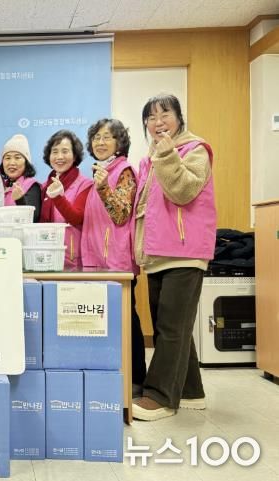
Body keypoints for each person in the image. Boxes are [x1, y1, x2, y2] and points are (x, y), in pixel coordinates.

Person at [132, 93, 215, 421]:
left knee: (170, 327)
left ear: (179, 118)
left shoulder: (196, 149)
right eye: (151, 117)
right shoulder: (149, 158)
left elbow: (183, 191)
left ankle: (161, 397)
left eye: (164, 114)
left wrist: (166, 155)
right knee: (171, 325)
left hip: (185, 251)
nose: (158, 122)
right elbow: (144, 210)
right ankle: (191, 391)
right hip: (157, 252)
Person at [81, 118, 146, 394]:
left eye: (107, 137)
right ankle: (110, 380)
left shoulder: (124, 171)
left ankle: (136, 380)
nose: (100, 142)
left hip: (116, 262)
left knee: (125, 321)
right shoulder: (99, 172)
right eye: (96, 137)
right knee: (102, 324)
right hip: (96, 260)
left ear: (119, 143)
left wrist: (104, 187)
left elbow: (120, 214)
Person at [39, 130, 93, 269]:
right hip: (47, 259)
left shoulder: (85, 184)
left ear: (74, 156)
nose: (59, 157)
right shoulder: (44, 187)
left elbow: (76, 218)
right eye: (55, 152)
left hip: (73, 261)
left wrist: (57, 196)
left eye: (65, 151)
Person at [0, 134, 41, 222]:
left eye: (17, 158)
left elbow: (33, 217)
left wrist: (20, 200)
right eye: (7, 158)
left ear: (26, 162)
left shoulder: (32, 185)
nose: (12, 163)